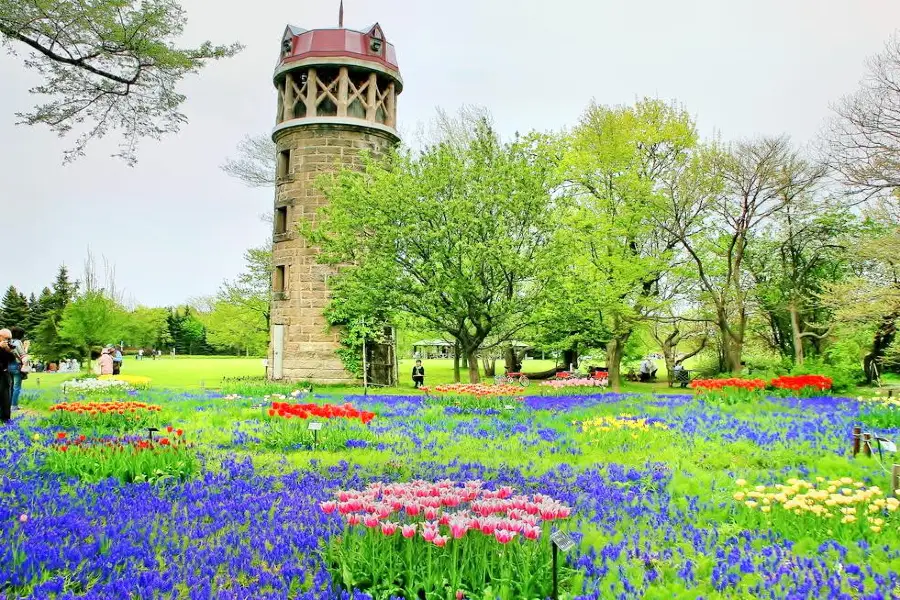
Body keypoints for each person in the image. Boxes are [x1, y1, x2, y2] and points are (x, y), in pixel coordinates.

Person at [8, 326, 28, 411]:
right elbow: (23, 355)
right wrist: (26, 347)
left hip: (8, 366)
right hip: (17, 366)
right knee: (16, 387)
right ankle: (14, 406)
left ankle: (9, 404)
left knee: (10, 386)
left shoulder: (9, 341)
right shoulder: (18, 342)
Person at [0, 329, 15, 422]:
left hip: (4, 373)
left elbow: (11, 359)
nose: (8, 340)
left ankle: (5, 418)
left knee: (6, 396)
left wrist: (8, 350)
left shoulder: (6, 347)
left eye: (10, 339)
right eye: (6, 338)